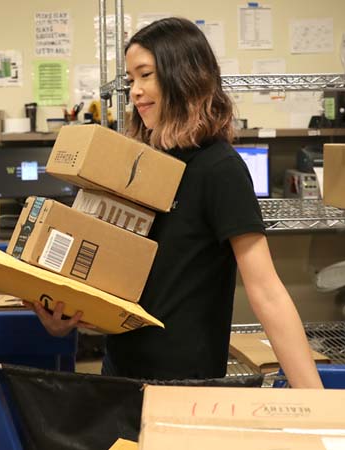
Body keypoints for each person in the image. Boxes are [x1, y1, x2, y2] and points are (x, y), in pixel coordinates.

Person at [29, 17, 323, 389]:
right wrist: (67, 316)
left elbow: (266, 291)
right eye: (131, 79)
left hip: (186, 385)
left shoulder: (220, 169)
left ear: (184, 76)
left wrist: (315, 401)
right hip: (119, 372)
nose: (135, 91)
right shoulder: (140, 163)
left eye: (145, 75)